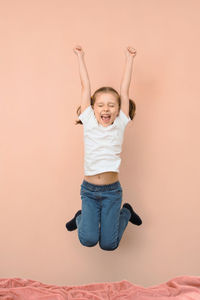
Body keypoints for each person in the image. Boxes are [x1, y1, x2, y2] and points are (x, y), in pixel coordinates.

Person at [65, 45, 142, 251]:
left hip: (112, 192)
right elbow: (85, 87)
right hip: (89, 191)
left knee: (109, 244)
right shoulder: (89, 120)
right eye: (100, 105)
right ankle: (80, 216)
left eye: (111, 105)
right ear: (92, 108)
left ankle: (125, 212)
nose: (105, 109)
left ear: (118, 110)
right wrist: (80, 58)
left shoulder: (120, 122)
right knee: (88, 240)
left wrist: (129, 59)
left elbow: (124, 90)